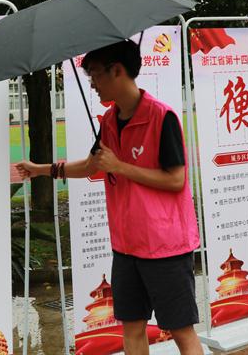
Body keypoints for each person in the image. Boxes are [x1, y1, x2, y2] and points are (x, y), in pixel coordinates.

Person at [16, 40, 203, 355]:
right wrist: (41, 170)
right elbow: (91, 166)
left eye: (95, 74)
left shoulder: (162, 117)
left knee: (181, 330)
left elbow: (176, 180)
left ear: (117, 70)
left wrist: (120, 166)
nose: (92, 83)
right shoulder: (109, 121)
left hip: (166, 248)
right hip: (126, 247)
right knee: (131, 328)